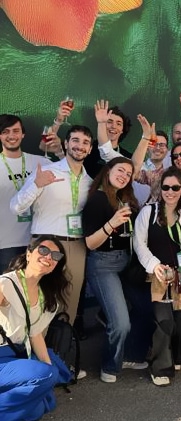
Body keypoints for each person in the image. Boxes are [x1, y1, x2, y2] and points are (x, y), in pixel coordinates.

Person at [10, 125, 94, 327]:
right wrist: (37, 185)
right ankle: (35, 346)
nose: (80, 146)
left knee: (69, 304)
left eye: (85, 142)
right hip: (45, 244)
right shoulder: (46, 172)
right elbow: (16, 207)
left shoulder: (90, 182)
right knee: (38, 300)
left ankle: (62, 345)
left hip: (76, 246)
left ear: (90, 149)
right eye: (75, 140)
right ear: (66, 144)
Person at [134, 155, 181, 386]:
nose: (170, 192)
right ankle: (160, 367)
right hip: (160, 277)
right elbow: (139, 244)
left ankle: (174, 352)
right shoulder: (149, 213)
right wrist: (154, 265)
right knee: (164, 322)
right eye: (166, 187)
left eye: (175, 188)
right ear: (160, 189)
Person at [82, 157, 150, 383]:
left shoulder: (124, 198)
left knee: (146, 308)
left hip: (127, 262)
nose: (124, 176)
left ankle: (130, 354)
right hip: (103, 264)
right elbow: (90, 243)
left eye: (128, 174)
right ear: (108, 171)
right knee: (121, 323)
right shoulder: (97, 199)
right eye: (120, 170)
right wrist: (112, 223)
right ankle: (110, 366)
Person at [0, 236, 72, 421]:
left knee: (43, 405)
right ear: (28, 254)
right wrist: (48, 375)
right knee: (45, 377)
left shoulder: (47, 297)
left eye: (55, 255)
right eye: (43, 250)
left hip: (16, 355)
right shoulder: (6, 284)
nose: (49, 257)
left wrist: (49, 371)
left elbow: (35, 335)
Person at [0, 114, 52, 273]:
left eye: (16, 131)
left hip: (38, 242)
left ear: (23, 134)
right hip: (6, 243)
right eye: (5, 131)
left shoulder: (41, 162)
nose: (11, 136)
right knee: (9, 286)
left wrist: (59, 151)